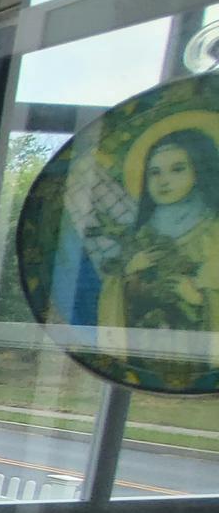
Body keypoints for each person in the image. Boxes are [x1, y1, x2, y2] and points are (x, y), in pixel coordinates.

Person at [98, 127, 219, 367]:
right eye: (154, 172)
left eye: (177, 169)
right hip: (145, 346)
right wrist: (129, 272)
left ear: (200, 170)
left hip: (195, 352)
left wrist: (200, 298)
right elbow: (114, 295)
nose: (163, 181)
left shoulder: (213, 231)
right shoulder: (141, 234)